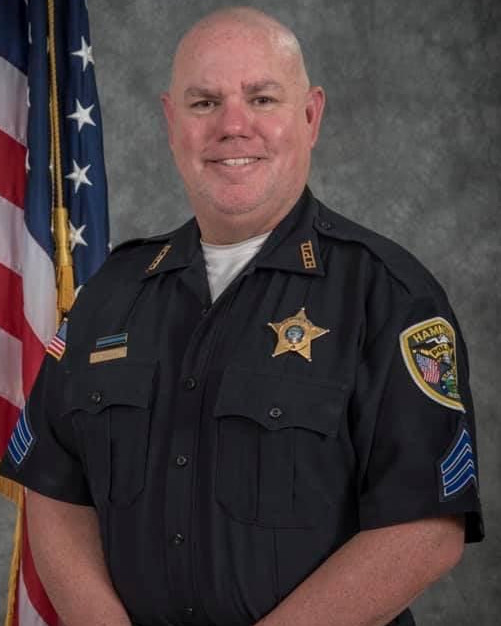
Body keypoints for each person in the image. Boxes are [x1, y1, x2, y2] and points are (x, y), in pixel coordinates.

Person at [0, 7, 484, 626]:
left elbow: (426, 528)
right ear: (172, 122)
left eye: (261, 99)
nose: (233, 126)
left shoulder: (389, 295)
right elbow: (53, 484)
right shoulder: (109, 294)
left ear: (309, 116)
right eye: (204, 103)